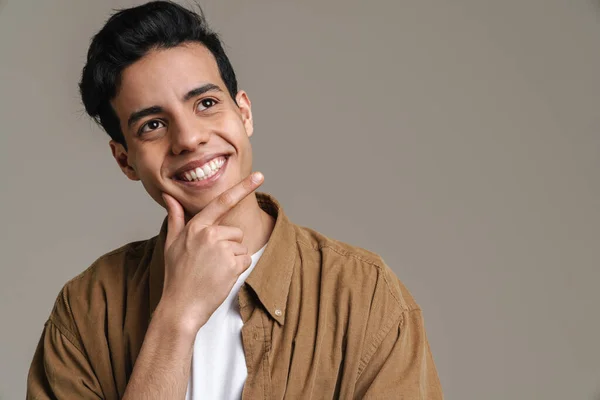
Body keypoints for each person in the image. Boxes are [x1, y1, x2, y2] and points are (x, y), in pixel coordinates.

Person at [26, 1, 443, 399]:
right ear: (125, 160)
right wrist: (177, 315)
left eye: (206, 103)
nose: (189, 138)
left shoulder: (364, 296)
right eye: (153, 125)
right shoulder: (84, 311)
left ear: (243, 113)